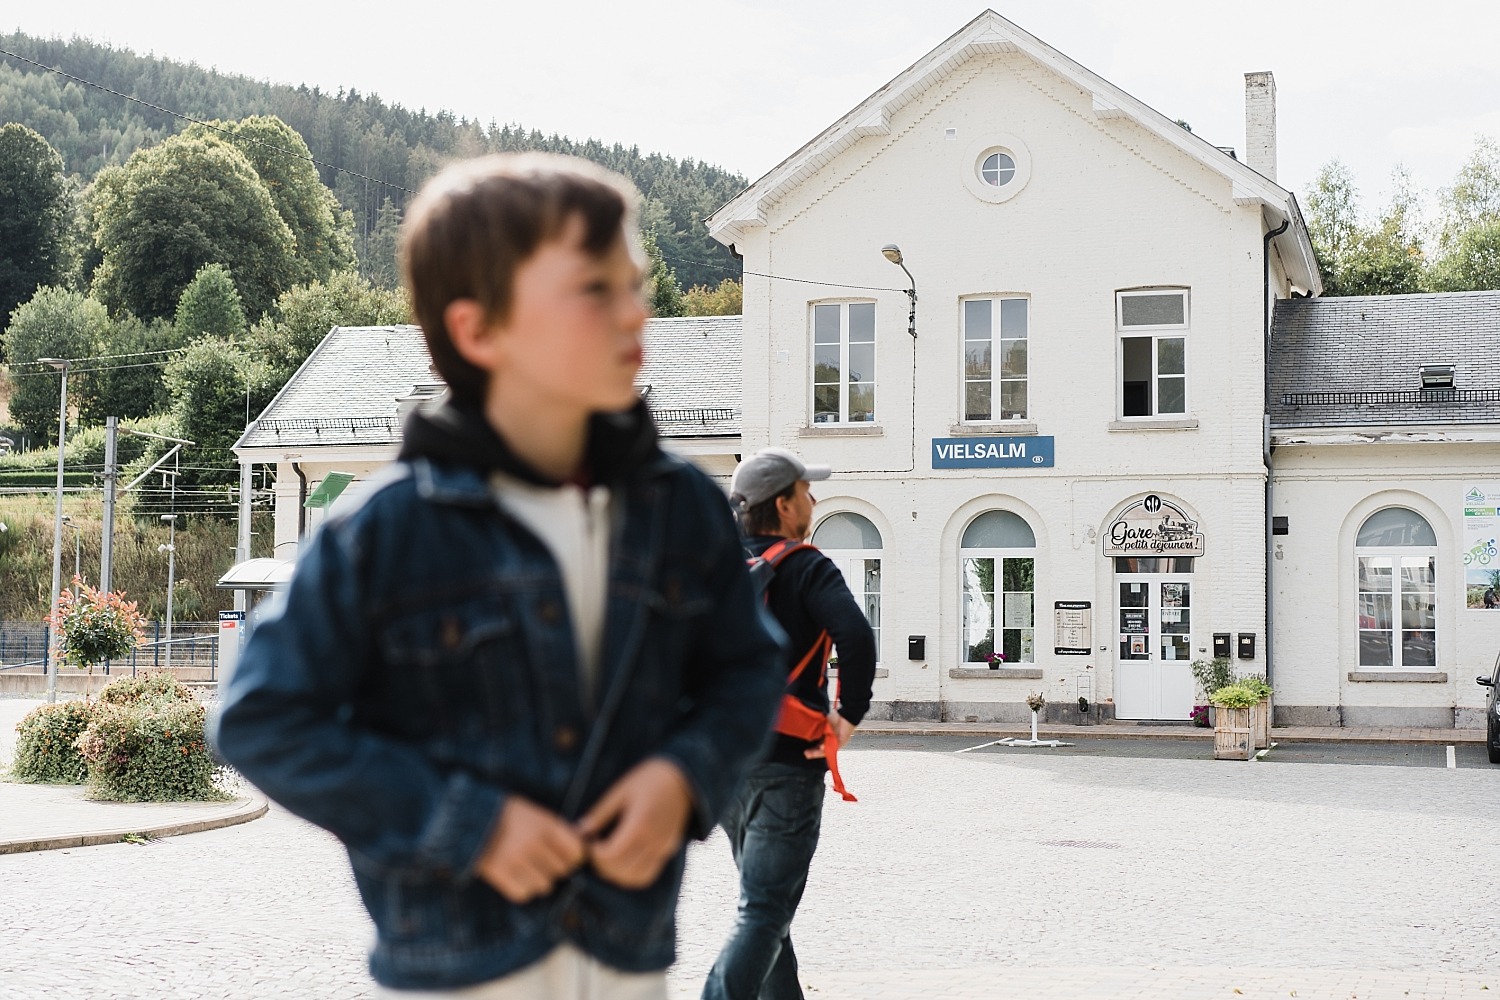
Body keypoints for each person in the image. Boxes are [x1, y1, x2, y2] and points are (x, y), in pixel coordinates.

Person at [212, 154, 786, 999]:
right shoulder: (385, 532)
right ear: (480, 331)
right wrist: (461, 825)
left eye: (637, 284)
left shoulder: (680, 509)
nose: (638, 312)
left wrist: (684, 777)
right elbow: (260, 717)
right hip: (454, 974)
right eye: (596, 289)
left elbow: (748, 669)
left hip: (628, 965)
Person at [702, 447, 878, 1000]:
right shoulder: (807, 566)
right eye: (805, 491)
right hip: (787, 764)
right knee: (764, 910)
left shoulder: (718, 569)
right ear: (782, 504)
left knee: (767, 904)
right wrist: (847, 717)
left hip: (726, 763)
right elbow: (856, 636)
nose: (814, 499)